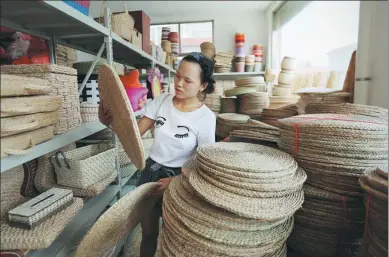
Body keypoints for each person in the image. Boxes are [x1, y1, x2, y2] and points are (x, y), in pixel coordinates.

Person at [99, 52, 216, 257]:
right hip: (150, 173)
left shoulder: (205, 118)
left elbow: (205, 163)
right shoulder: (161, 101)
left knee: (176, 238)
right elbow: (132, 135)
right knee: (149, 233)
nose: (178, 83)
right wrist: (108, 123)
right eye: (178, 76)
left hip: (182, 179)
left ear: (203, 86)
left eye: (187, 80)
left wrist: (176, 180)